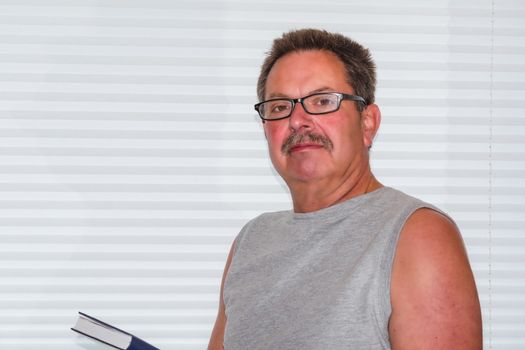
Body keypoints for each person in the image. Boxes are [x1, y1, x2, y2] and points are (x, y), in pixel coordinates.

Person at [208, 28, 482, 349]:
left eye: (322, 101)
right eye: (280, 107)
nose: (298, 121)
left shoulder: (416, 234)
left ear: (368, 123)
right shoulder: (250, 241)